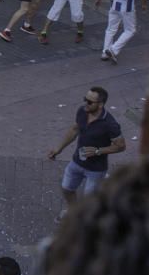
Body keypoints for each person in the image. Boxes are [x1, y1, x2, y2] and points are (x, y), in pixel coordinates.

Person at [47, 86, 125, 214]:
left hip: (96, 169)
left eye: (89, 102)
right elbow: (75, 129)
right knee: (67, 188)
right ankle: (73, 212)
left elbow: (121, 146)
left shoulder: (110, 125)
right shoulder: (83, 111)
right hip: (77, 161)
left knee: (90, 202)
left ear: (100, 104)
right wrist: (58, 149)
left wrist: (97, 151)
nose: (85, 104)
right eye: (85, 99)